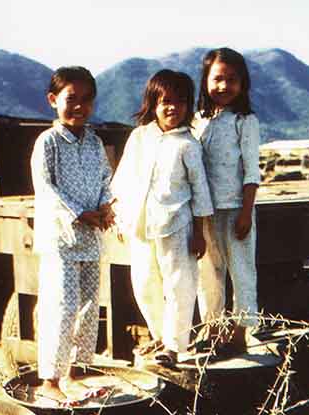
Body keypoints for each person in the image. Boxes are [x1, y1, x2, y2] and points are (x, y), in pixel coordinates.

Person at [111, 69, 213, 366]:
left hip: (177, 227)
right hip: (141, 227)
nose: (173, 107)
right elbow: (122, 180)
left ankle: (173, 345)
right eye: (165, 100)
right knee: (143, 283)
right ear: (152, 103)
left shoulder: (188, 145)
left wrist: (199, 232)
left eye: (180, 101)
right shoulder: (139, 137)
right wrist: (118, 216)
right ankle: (159, 335)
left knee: (180, 285)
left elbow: (200, 193)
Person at [30, 66, 113, 400]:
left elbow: (107, 178)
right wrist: (80, 213)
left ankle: (77, 372)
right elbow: (45, 187)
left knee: (90, 306)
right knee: (61, 306)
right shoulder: (47, 142)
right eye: (71, 99)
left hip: (91, 239)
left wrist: (107, 206)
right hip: (60, 240)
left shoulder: (94, 142)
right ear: (53, 100)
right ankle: (49, 380)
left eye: (87, 99)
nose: (79, 106)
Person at [193, 47, 261, 356]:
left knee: (242, 271)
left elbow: (251, 172)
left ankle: (241, 333)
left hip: (236, 210)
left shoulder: (245, 121)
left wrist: (246, 212)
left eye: (231, 79)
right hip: (204, 212)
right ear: (205, 80)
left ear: (242, 83)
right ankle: (212, 328)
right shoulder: (198, 121)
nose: (223, 86)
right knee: (209, 273)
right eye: (217, 78)